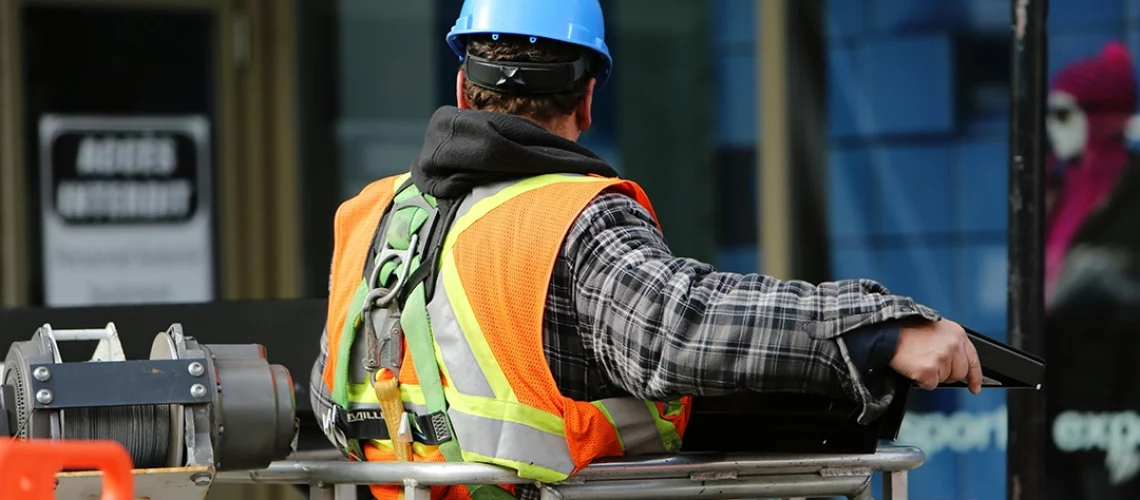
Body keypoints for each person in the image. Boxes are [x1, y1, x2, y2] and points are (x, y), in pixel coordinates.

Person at [308, 1, 982, 499]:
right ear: (589, 97)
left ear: (462, 88)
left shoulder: (370, 216)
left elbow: (333, 392)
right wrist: (874, 330)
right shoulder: (571, 219)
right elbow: (679, 327)